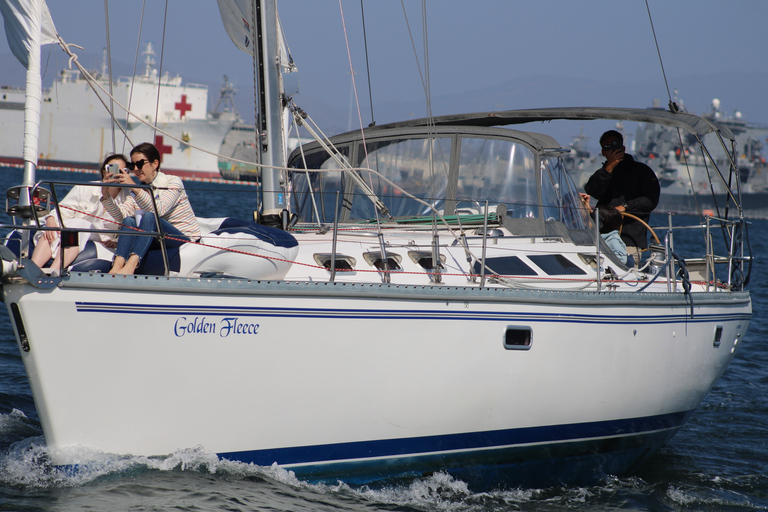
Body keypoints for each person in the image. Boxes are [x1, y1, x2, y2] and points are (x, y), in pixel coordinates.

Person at [102, 142, 201, 275]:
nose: (136, 169)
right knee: (129, 221)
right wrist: (106, 195)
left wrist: (134, 187)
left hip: (184, 240)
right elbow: (121, 217)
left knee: (149, 216)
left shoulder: (172, 182)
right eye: (132, 165)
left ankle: (131, 265)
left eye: (140, 163)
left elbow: (159, 210)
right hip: (159, 239)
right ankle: (117, 265)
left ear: (155, 164)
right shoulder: (137, 190)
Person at [31, 153, 129, 274]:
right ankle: (33, 269)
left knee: (79, 224)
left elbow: (130, 226)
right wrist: (50, 219)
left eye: (121, 170)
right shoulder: (84, 188)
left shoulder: (128, 198)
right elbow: (63, 210)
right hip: (75, 231)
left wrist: (116, 242)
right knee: (52, 229)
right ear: (104, 172)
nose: (115, 173)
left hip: (101, 238)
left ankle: (54, 269)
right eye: (111, 169)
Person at [584, 130, 660, 266]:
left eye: (615, 145)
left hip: (629, 239)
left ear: (623, 148)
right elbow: (592, 191)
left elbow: (651, 199)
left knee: (626, 273)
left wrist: (625, 207)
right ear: (602, 152)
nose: (612, 150)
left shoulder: (642, 171)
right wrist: (609, 168)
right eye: (607, 147)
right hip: (601, 238)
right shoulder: (602, 174)